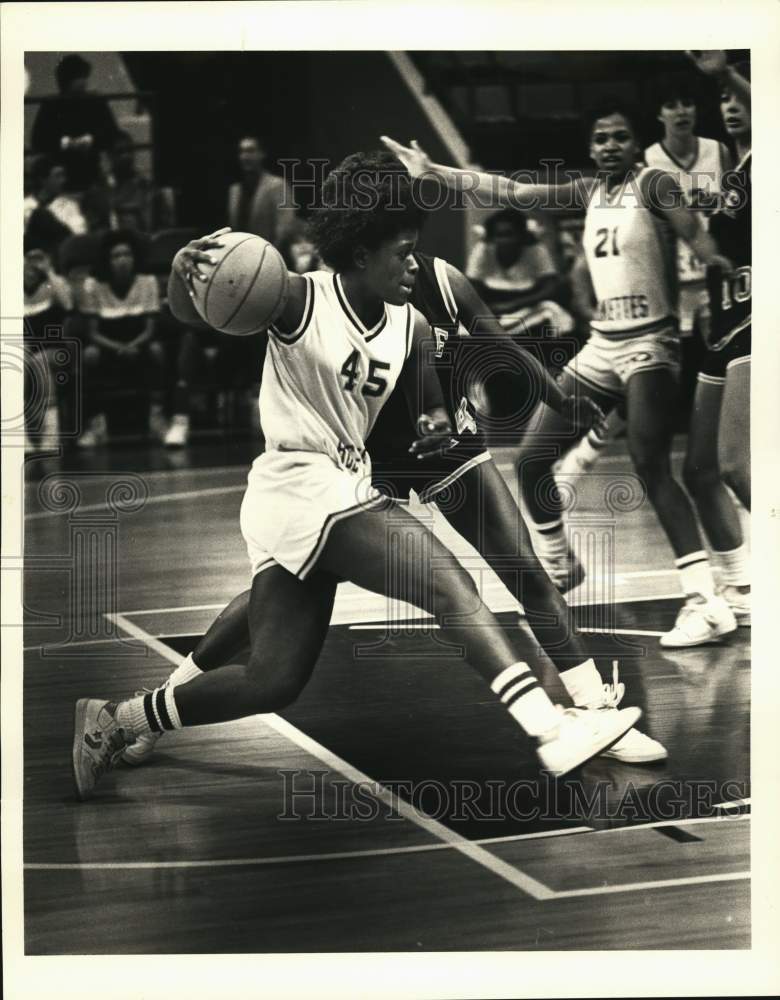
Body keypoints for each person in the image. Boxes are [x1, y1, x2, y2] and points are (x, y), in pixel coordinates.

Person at [72, 151, 642, 800]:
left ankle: (117, 720)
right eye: (401, 252)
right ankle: (550, 729)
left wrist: (435, 428)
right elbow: (194, 307)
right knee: (447, 586)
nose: (412, 263)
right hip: (304, 486)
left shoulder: (415, 324)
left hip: (340, 487)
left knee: (274, 681)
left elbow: (429, 406)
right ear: (361, 250)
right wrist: (185, 274)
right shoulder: (293, 296)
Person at [381, 98, 737, 648]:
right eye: (600, 139)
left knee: (648, 461)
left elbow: (695, 235)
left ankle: (704, 600)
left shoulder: (654, 184)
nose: (609, 147)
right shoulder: (589, 191)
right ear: (590, 148)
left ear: (634, 143)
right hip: (602, 343)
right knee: (530, 460)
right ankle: (561, 564)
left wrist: (723, 270)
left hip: (652, 341)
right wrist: (437, 174)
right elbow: (510, 192)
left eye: (619, 137)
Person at [558, 72, 731, 477]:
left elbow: (714, 222)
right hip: (661, 291)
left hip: (710, 285)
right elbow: (612, 238)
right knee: (648, 381)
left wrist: (718, 258)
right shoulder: (647, 164)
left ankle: (732, 457)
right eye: (671, 104)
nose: (681, 110)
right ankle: (597, 443)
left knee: (710, 379)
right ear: (659, 115)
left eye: (687, 102)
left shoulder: (720, 153)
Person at [679, 52, 752, 629]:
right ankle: (746, 590)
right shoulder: (736, 172)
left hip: (760, 320)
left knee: (735, 466)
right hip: (723, 325)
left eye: (738, 98)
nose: (730, 107)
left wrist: (724, 73)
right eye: (723, 101)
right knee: (699, 468)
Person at [75, 229, 167, 448]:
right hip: (108, 344)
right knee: (89, 354)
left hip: (139, 342)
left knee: (157, 350)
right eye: (117, 256)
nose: (123, 260)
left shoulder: (148, 282)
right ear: (108, 260)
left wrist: (133, 345)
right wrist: (118, 347)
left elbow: (150, 329)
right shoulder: (94, 285)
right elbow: (92, 332)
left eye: (127, 255)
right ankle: (96, 424)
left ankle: (157, 417)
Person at [466, 209, 574, 339]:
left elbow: (550, 287)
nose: (504, 240)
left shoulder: (536, 249)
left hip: (528, 303)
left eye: (509, 234)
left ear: (521, 235)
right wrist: (489, 308)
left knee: (552, 314)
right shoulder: (483, 249)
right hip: (493, 304)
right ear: (492, 237)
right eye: (499, 235)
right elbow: (473, 284)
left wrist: (514, 305)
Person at [30, 54, 119, 194]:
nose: (84, 82)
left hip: (91, 172)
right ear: (67, 80)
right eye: (80, 77)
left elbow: (113, 133)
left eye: (84, 77)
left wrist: (90, 140)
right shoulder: (51, 105)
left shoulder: (96, 102)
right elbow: (37, 140)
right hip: (62, 176)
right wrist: (66, 143)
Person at [227, 134, 299, 249]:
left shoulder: (277, 185)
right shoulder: (235, 190)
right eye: (241, 152)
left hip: (270, 255)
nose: (245, 156)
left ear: (262, 154)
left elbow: (285, 227)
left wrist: (269, 255)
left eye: (250, 151)